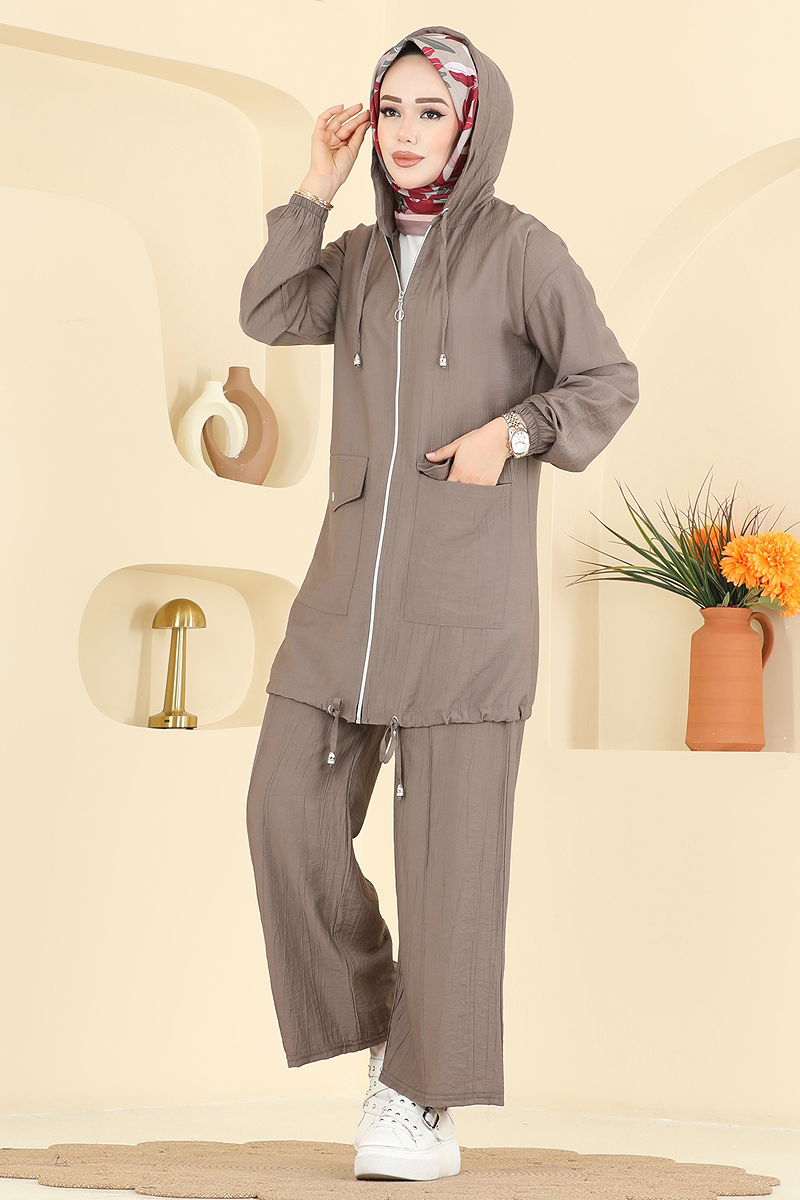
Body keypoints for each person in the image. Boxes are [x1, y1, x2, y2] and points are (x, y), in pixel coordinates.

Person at [240, 26, 639, 1183]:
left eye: (431, 111)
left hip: (465, 606)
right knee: (282, 816)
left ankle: (419, 1101)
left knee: (450, 872)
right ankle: (391, 1029)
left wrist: (512, 432)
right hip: (342, 603)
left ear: (472, 125)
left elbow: (604, 381)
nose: (406, 132)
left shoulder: (523, 251)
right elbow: (268, 312)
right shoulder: (359, 256)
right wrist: (311, 190)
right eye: (391, 110)